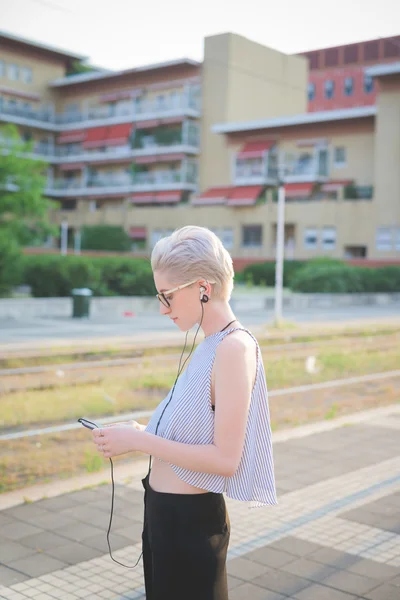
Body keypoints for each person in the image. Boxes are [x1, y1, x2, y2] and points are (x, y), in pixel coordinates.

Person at [92, 225, 277, 600]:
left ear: (203, 288)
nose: (163, 309)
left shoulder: (232, 348)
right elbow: (194, 432)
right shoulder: (210, 344)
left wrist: (141, 440)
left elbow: (226, 459)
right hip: (167, 515)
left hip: (191, 523)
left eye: (167, 297)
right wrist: (139, 430)